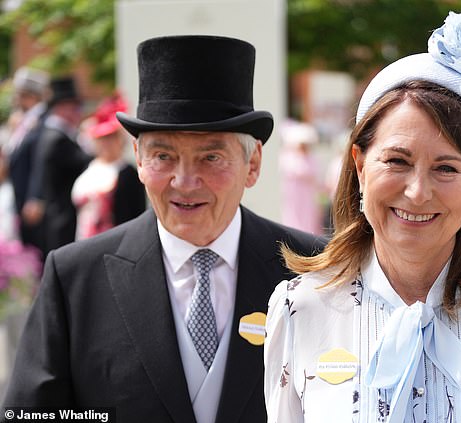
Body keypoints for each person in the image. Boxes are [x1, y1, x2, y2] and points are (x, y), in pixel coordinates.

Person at [264, 8, 461, 423]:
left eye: (446, 168)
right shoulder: (298, 310)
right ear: (360, 166)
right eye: (397, 161)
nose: (417, 192)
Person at [2, 35, 324, 423]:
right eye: (163, 156)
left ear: (252, 163)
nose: (184, 181)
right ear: (137, 159)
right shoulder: (75, 278)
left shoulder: (312, 269)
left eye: (211, 156)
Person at [27, 76, 92, 257]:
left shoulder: (54, 134)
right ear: (62, 109)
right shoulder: (58, 139)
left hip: (57, 215)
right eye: (75, 108)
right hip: (63, 218)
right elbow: (85, 162)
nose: (79, 113)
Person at [71, 93, 146, 240]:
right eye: (103, 138)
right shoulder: (88, 167)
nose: (107, 143)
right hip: (84, 242)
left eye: (111, 138)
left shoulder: (128, 173)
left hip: (114, 243)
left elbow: (135, 215)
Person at [5, 67, 50, 250]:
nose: (16, 99)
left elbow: (40, 161)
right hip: (18, 197)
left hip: (31, 203)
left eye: (20, 94)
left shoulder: (42, 121)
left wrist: (36, 196)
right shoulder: (23, 121)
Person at [278, 119, 324, 235]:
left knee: (308, 217)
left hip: (307, 196)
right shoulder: (288, 157)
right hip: (294, 194)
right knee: (294, 216)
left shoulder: (310, 158)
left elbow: (313, 173)